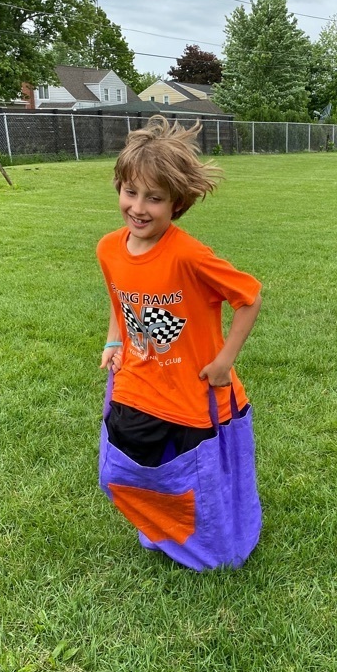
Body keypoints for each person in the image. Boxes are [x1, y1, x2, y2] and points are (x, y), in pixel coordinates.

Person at [97, 116, 262, 469]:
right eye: (130, 192)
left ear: (177, 203)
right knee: (132, 477)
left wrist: (224, 362)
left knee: (198, 488)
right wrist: (114, 341)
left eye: (154, 198)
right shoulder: (108, 249)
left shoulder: (190, 256)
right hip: (136, 388)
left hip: (193, 398)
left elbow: (249, 297)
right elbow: (121, 295)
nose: (138, 208)